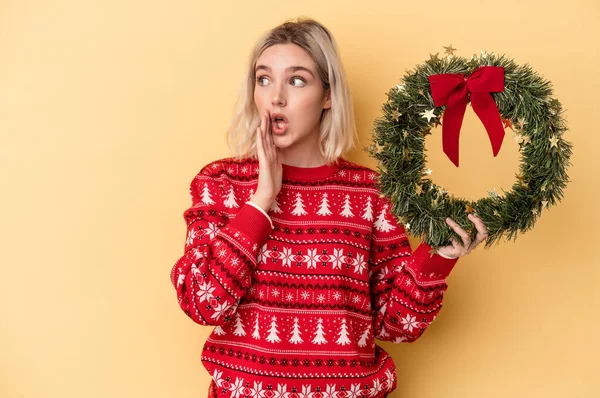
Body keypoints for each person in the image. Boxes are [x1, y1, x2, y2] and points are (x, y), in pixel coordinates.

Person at [169, 18, 489, 398]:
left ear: (328, 95)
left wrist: (439, 257)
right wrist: (260, 202)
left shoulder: (369, 193)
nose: (276, 98)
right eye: (264, 79)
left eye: (297, 80)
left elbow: (396, 325)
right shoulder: (220, 183)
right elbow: (202, 303)